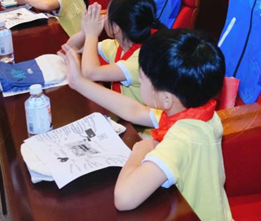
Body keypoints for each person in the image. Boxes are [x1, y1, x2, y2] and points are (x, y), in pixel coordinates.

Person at [61, 29, 230, 218]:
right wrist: (79, 84)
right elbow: (134, 111)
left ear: (166, 99)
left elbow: (124, 198)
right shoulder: (197, 114)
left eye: (142, 80)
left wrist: (141, 149)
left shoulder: (181, 140)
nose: (140, 84)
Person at [65, 0, 160, 105]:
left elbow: (90, 72)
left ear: (115, 27)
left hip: (131, 116)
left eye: (107, 15)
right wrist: (84, 32)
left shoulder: (141, 60)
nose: (103, 17)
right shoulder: (115, 45)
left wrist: (92, 35)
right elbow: (71, 47)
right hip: (118, 110)